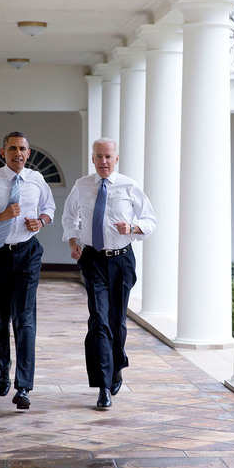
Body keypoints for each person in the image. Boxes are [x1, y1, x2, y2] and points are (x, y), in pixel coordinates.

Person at [62, 138, 157, 410]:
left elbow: (151, 220)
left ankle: (117, 366)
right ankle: (103, 385)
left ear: (116, 159)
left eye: (108, 157)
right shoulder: (82, 186)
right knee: (99, 321)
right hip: (92, 259)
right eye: (99, 156)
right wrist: (73, 241)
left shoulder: (129, 186)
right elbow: (69, 217)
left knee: (117, 323)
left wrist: (133, 228)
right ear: (93, 159)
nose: (103, 161)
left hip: (121, 260)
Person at [0, 131, 55, 410]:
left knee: (25, 318)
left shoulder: (37, 180)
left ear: (28, 153)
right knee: (2, 317)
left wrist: (40, 221)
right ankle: (2, 368)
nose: (18, 153)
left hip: (27, 253)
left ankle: (24, 386)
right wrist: (2, 216)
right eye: (13, 148)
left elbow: (49, 207)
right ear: (3, 152)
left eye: (23, 149)